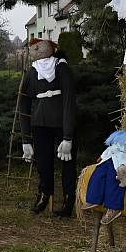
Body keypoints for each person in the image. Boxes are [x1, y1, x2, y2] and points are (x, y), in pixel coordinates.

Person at [19, 38, 77, 217]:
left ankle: (69, 199)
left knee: (67, 162)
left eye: (38, 47)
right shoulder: (32, 72)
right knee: (43, 162)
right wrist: (25, 139)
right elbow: (24, 104)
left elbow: (69, 102)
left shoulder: (62, 68)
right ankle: (44, 194)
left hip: (61, 122)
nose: (34, 50)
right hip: (39, 122)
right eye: (33, 48)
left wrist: (68, 136)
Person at [81, 108, 126, 225]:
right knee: (97, 174)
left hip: (120, 163)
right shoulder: (121, 134)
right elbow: (112, 147)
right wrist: (102, 156)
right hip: (109, 159)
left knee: (114, 181)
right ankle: (93, 199)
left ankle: (114, 208)